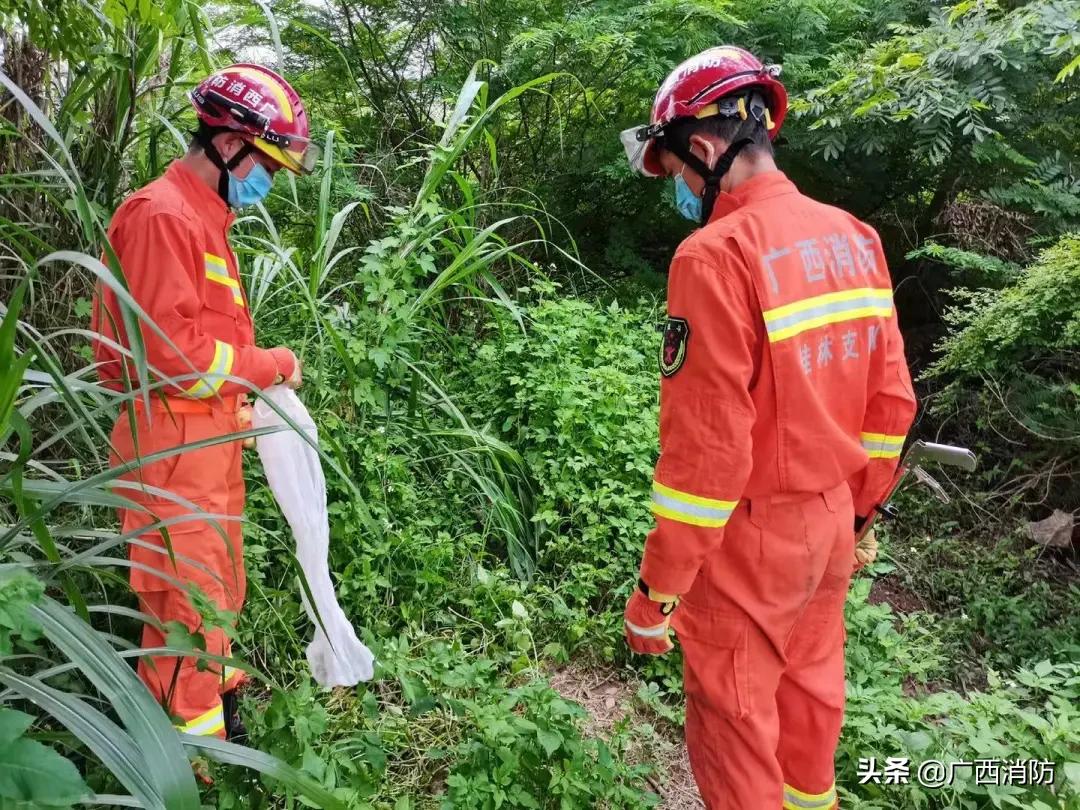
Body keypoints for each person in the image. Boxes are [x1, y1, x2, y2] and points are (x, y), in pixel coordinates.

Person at [619, 46, 917, 808]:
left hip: (749, 548)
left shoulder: (713, 257)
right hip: (833, 526)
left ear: (706, 149)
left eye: (678, 171)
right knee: (809, 717)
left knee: (737, 733)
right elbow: (891, 407)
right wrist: (860, 514)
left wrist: (657, 592)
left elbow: (706, 460)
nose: (682, 190)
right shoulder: (853, 237)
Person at [91, 64, 318, 741]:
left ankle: (220, 717)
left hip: (204, 448)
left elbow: (205, 350)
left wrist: (238, 405)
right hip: (170, 455)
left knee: (216, 591)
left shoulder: (205, 217)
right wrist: (271, 367)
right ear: (228, 145)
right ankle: (191, 763)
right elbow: (175, 358)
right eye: (266, 166)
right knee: (184, 611)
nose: (268, 181)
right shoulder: (161, 216)